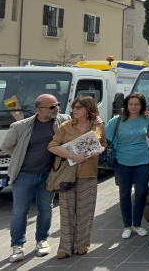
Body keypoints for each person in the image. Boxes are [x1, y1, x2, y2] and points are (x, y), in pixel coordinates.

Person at [2, 94, 71, 262]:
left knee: (46, 208)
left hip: (49, 174)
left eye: (58, 105)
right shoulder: (20, 126)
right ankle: (17, 245)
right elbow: (6, 147)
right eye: (52, 107)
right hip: (24, 174)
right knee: (20, 211)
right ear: (39, 110)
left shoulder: (63, 120)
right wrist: (21, 157)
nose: (57, 109)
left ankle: (42, 241)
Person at [48, 95, 107, 259]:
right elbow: (52, 146)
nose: (74, 110)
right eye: (74, 107)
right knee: (66, 211)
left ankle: (82, 244)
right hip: (68, 173)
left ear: (88, 109)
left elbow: (103, 143)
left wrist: (99, 151)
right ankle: (65, 247)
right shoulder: (66, 126)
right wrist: (73, 156)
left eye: (79, 107)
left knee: (85, 210)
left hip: (88, 173)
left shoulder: (98, 125)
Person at [106, 92, 149, 239]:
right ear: (126, 105)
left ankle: (137, 224)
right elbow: (103, 137)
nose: (133, 107)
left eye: (136, 104)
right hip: (122, 161)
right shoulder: (117, 120)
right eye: (130, 104)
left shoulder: (146, 119)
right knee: (125, 194)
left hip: (142, 160)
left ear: (141, 106)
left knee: (141, 193)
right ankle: (127, 225)